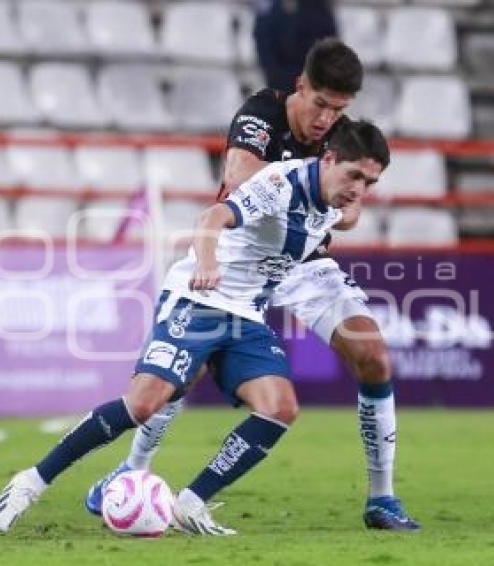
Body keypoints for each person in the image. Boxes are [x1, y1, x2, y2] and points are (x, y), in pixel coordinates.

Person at [0, 119, 391, 536]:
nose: (359, 189)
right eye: (354, 176)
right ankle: (31, 482)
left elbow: (341, 216)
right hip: (198, 301)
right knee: (143, 405)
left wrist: (351, 204)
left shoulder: (336, 201)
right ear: (327, 159)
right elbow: (213, 216)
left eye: (370, 183)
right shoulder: (280, 183)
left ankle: (190, 504)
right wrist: (208, 263)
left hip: (247, 317)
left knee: (280, 408)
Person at [86, 38, 420, 532]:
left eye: (339, 109)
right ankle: (131, 470)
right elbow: (240, 176)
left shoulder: (343, 139)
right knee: (184, 373)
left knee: (374, 355)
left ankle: (382, 497)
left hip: (303, 261)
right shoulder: (261, 113)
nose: (327, 119)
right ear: (300, 86)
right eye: (321, 104)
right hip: (239, 257)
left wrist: (341, 201)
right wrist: (314, 188)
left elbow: (350, 211)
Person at [253, 0, 338, 94]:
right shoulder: (271, 10)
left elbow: (330, 43)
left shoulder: (319, 9)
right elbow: (264, 44)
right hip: (283, 82)